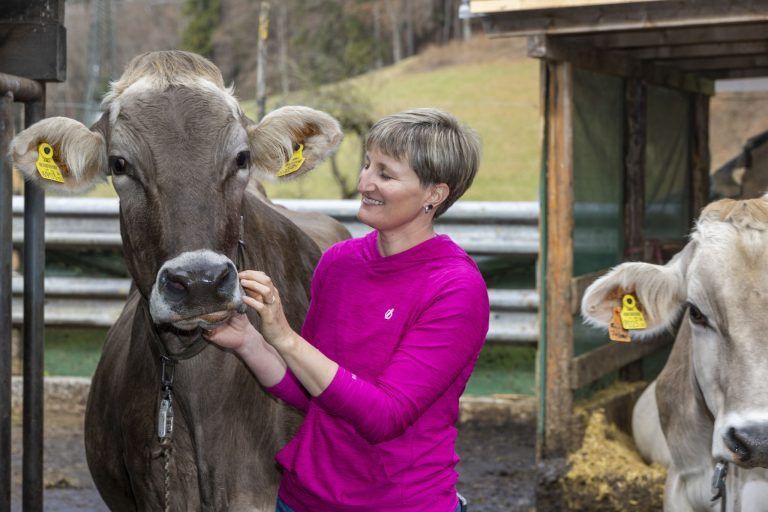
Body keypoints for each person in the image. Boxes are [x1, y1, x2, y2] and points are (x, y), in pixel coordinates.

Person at [206, 108, 490, 512]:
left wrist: (284, 338)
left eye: (385, 175)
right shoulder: (339, 263)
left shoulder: (454, 287)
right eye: (367, 165)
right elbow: (315, 394)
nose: (364, 182)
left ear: (434, 195)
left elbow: (383, 416)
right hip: (301, 500)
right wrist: (249, 342)